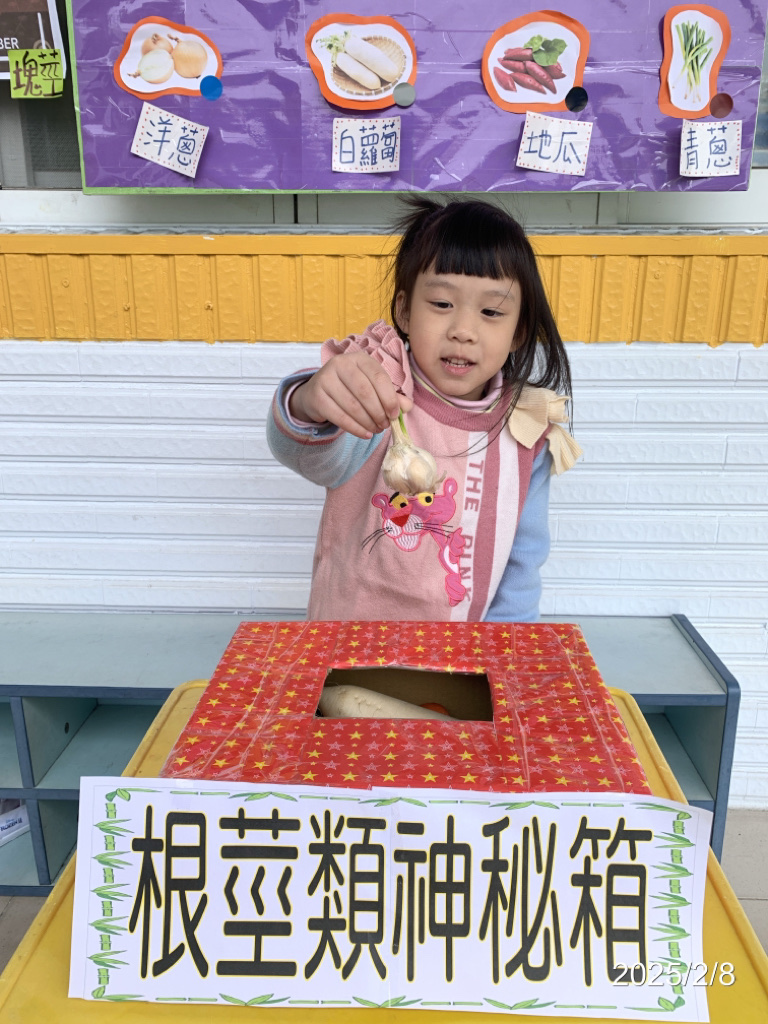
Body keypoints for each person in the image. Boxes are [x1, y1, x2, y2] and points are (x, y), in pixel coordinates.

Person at [267, 195, 581, 622]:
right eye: (442, 304)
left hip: (460, 654)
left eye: (491, 311)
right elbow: (309, 455)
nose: (463, 331)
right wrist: (309, 402)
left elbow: (522, 563)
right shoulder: (380, 388)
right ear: (404, 311)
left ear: (519, 331)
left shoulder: (526, 429)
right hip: (349, 644)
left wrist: (509, 648)